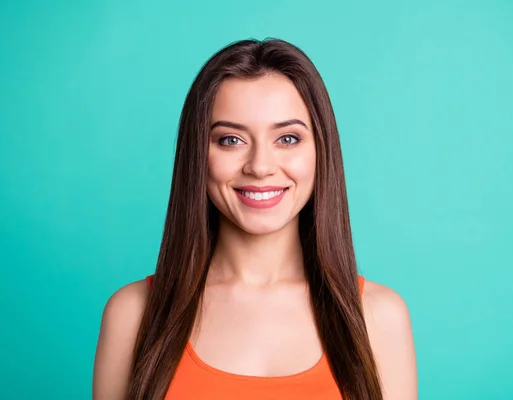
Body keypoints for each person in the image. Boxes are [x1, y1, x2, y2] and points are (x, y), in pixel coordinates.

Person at [92, 38, 417, 400]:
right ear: (198, 154)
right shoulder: (133, 314)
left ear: (321, 151)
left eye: (288, 138)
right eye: (231, 139)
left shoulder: (379, 317)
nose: (260, 166)